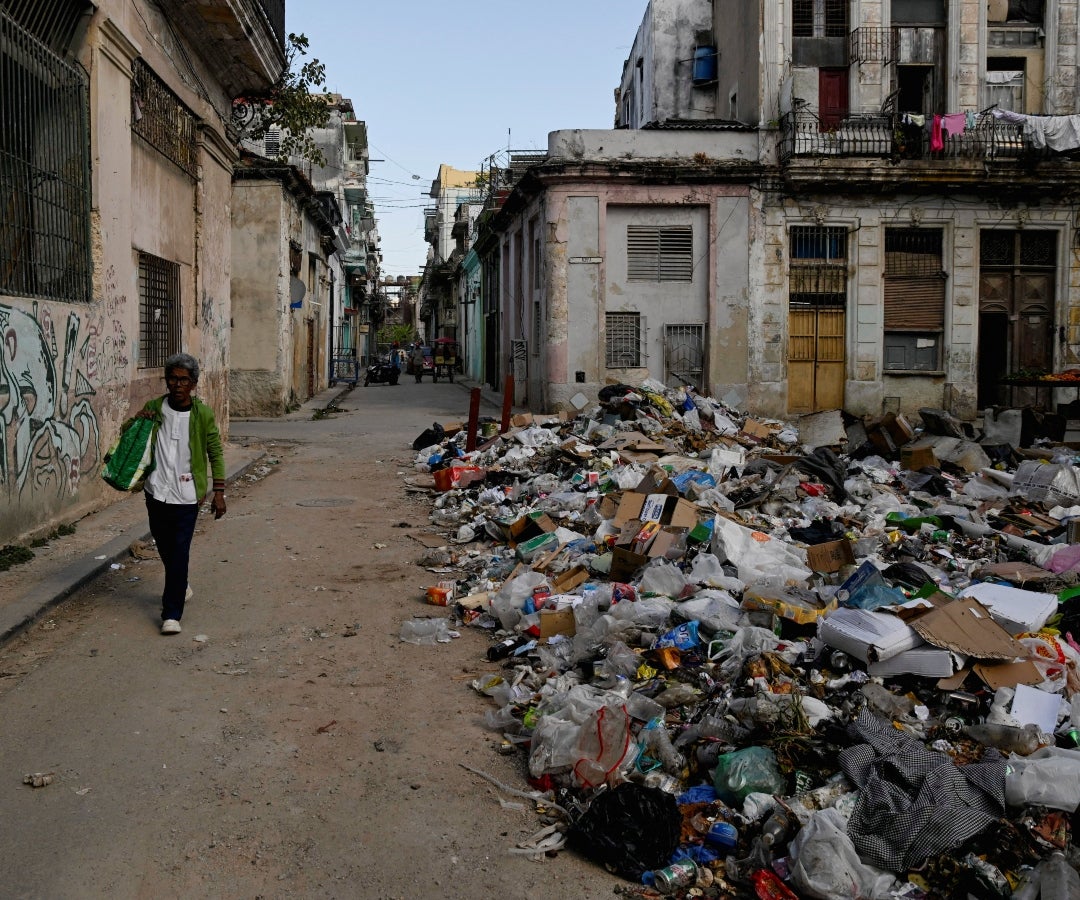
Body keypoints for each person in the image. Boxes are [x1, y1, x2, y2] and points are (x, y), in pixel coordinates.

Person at [134, 353, 226, 635]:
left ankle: (171, 613)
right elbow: (133, 437)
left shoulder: (204, 415)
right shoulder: (154, 407)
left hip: (187, 495)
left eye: (183, 380)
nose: (177, 384)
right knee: (164, 545)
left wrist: (219, 491)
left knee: (180, 551)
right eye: (172, 378)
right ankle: (180, 583)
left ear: (194, 384)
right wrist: (139, 421)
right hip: (156, 490)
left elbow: (215, 452)